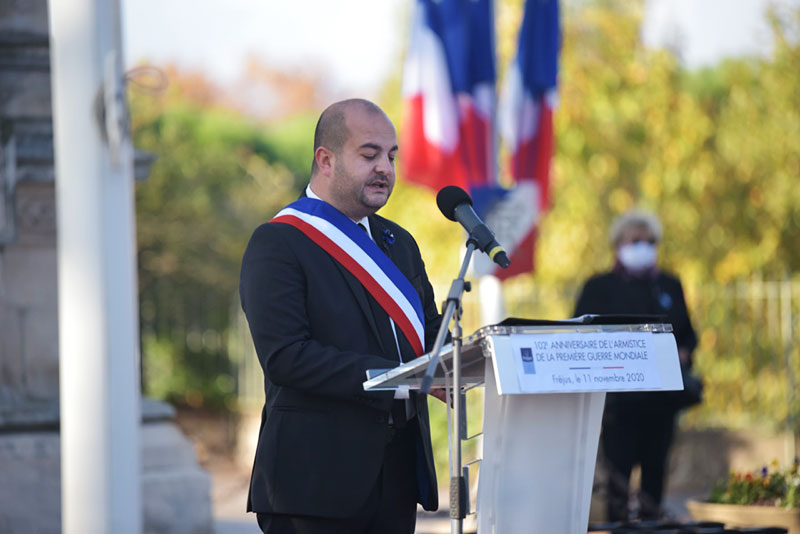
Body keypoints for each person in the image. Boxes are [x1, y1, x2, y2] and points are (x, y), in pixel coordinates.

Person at [239, 98, 443, 534]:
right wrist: (394, 376)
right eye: (369, 155)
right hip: (314, 484)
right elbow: (286, 356)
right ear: (325, 159)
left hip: (397, 477)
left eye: (391, 156)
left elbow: (428, 333)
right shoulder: (279, 243)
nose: (385, 168)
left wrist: (465, 354)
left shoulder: (398, 243)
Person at [574, 210, 697, 522]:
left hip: (661, 402)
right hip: (619, 402)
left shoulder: (669, 285)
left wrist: (680, 353)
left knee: (655, 476)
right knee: (617, 478)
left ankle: (653, 524)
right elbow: (581, 334)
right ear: (619, 244)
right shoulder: (599, 287)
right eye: (635, 241)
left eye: (649, 241)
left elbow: (687, 336)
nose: (643, 247)